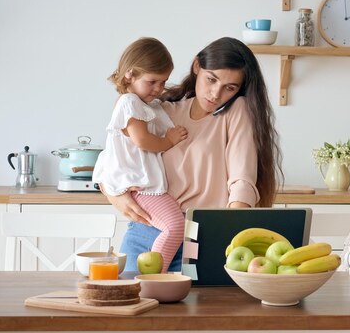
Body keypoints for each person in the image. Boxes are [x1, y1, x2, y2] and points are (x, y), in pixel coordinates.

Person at [102, 37, 283, 272]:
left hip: (201, 241)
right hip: (144, 234)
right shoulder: (160, 111)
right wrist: (114, 196)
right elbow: (111, 159)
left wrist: (229, 235)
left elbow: (242, 181)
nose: (216, 94)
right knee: (130, 306)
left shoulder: (236, 112)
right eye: (211, 79)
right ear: (197, 67)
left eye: (230, 87)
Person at [93, 37, 188, 273]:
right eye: (152, 81)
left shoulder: (145, 104)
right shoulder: (128, 102)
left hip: (141, 185)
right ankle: (156, 276)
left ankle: (154, 274)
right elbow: (142, 140)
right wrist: (169, 140)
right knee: (175, 226)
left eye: (163, 82)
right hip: (141, 185)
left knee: (174, 226)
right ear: (130, 74)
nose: (158, 89)